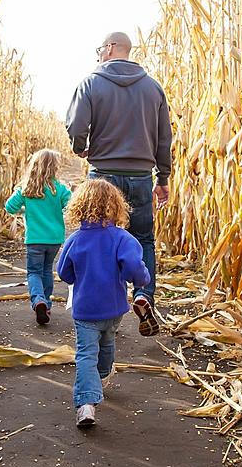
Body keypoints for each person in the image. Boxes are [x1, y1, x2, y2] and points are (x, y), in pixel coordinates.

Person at [65, 31, 172, 336]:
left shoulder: (90, 83)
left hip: (102, 175)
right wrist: (162, 177)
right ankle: (143, 294)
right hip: (140, 176)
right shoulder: (153, 89)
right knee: (142, 239)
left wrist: (79, 147)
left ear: (110, 48)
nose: (98, 55)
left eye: (100, 49)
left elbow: (76, 125)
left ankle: (98, 311)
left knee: (96, 239)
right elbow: (164, 138)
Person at [57, 178, 151, 428]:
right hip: (114, 307)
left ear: (80, 207)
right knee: (107, 342)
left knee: (86, 353)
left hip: (86, 309)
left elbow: (64, 273)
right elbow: (135, 269)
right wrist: (142, 279)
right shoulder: (122, 238)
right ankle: (98, 378)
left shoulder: (75, 240)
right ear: (116, 206)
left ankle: (87, 403)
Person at [4, 149, 71, 325]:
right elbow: (71, 206)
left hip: (34, 238)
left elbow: (10, 207)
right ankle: (46, 304)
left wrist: (25, 210)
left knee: (34, 272)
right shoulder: (60, 189)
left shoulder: (26, 189)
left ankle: (38, 300)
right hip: (54, 238)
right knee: (47, 270)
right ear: (55, 168)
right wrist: (56, 211)